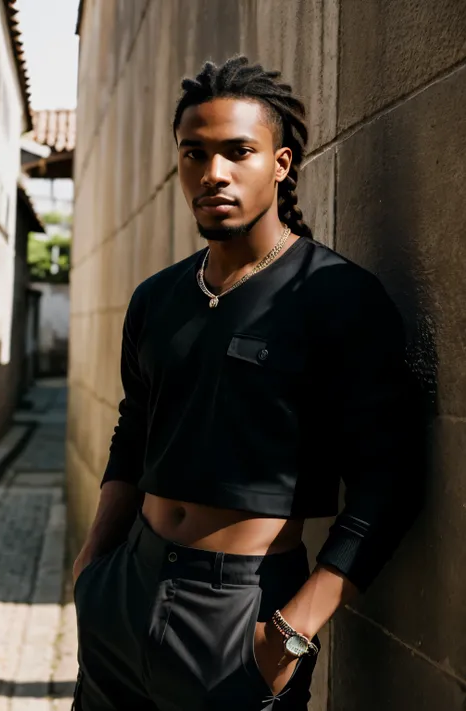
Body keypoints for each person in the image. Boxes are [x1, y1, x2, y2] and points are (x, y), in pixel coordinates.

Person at [71, 55, 422, 711]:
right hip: (123, 595)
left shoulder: (336, 296)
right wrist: (93, 564)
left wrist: (290, 633)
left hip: (240, 611)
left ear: (281, 162)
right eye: (194, 153)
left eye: (238, 151)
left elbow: (390, 482)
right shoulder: (158, 298)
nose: (213, 174)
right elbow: (135, 428)